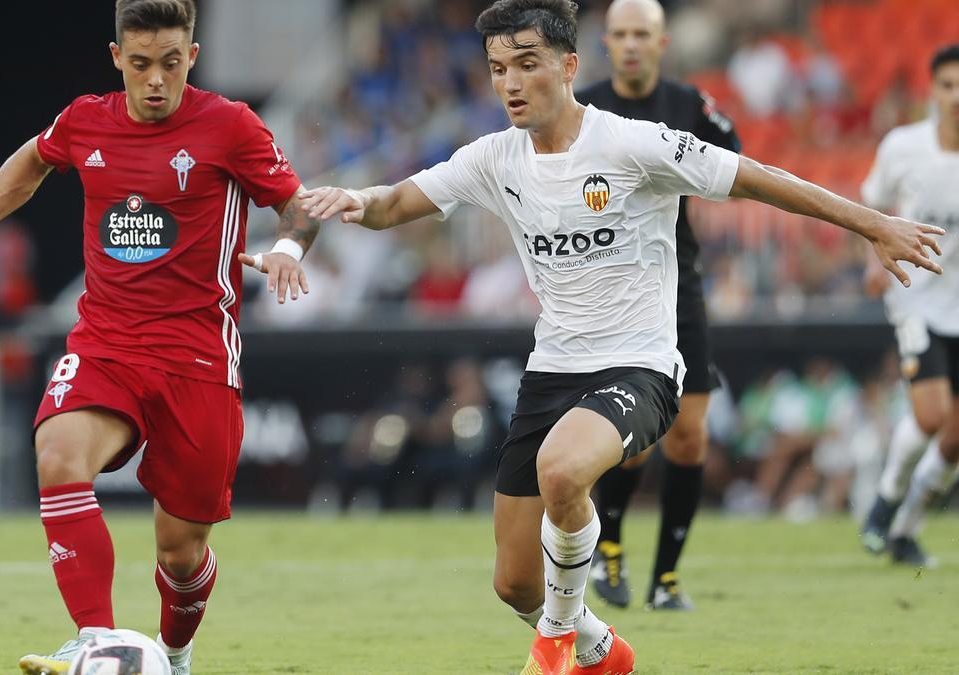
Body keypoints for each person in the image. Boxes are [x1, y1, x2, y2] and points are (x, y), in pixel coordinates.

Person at [300, 1, 943, 673]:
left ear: (569, 65)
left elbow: (760, 178)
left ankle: (551, 649)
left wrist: (873, 224)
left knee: (562, 470)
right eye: (497, 70)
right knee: (514, 581)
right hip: (552, 371)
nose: (510, 84)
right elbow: (396, 202)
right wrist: (353, 200)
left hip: (640, 367)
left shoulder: (633, 143)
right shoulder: (492, 158)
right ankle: (599, 647)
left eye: (526, 64)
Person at [0, 1, 319, 673]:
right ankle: (94, 639)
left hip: (198, 356)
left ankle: (175, 655)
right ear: (117, 59)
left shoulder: (231, 126)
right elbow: (34, 156)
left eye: (170, 64)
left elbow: (297, 204)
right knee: (57, 451)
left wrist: (289, 248)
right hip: (107, 341)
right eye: (140, 65)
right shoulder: (86, 120)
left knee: (180, 552)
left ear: (191, 57)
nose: (156, 81)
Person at [574, 0, 740, 611]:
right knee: (634, 438)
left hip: (679, 285)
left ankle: (666, 579)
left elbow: (733, 159)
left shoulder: (690, 107)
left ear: (662, 41)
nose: (631, 45)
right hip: (613, 289)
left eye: (641, 34)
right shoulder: (583, 108)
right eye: (619, 34)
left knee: (690, 437)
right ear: (606, 42)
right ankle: (609, 549)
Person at [859, 43, 959, 568]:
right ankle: (885, 500)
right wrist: (874, 256)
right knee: (932, 412)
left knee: (955, 440)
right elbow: (871, 204)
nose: (957, 95)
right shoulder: (904, 147)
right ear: (933, 91)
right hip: (917, 297)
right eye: (948, 84)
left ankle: (905, 529)